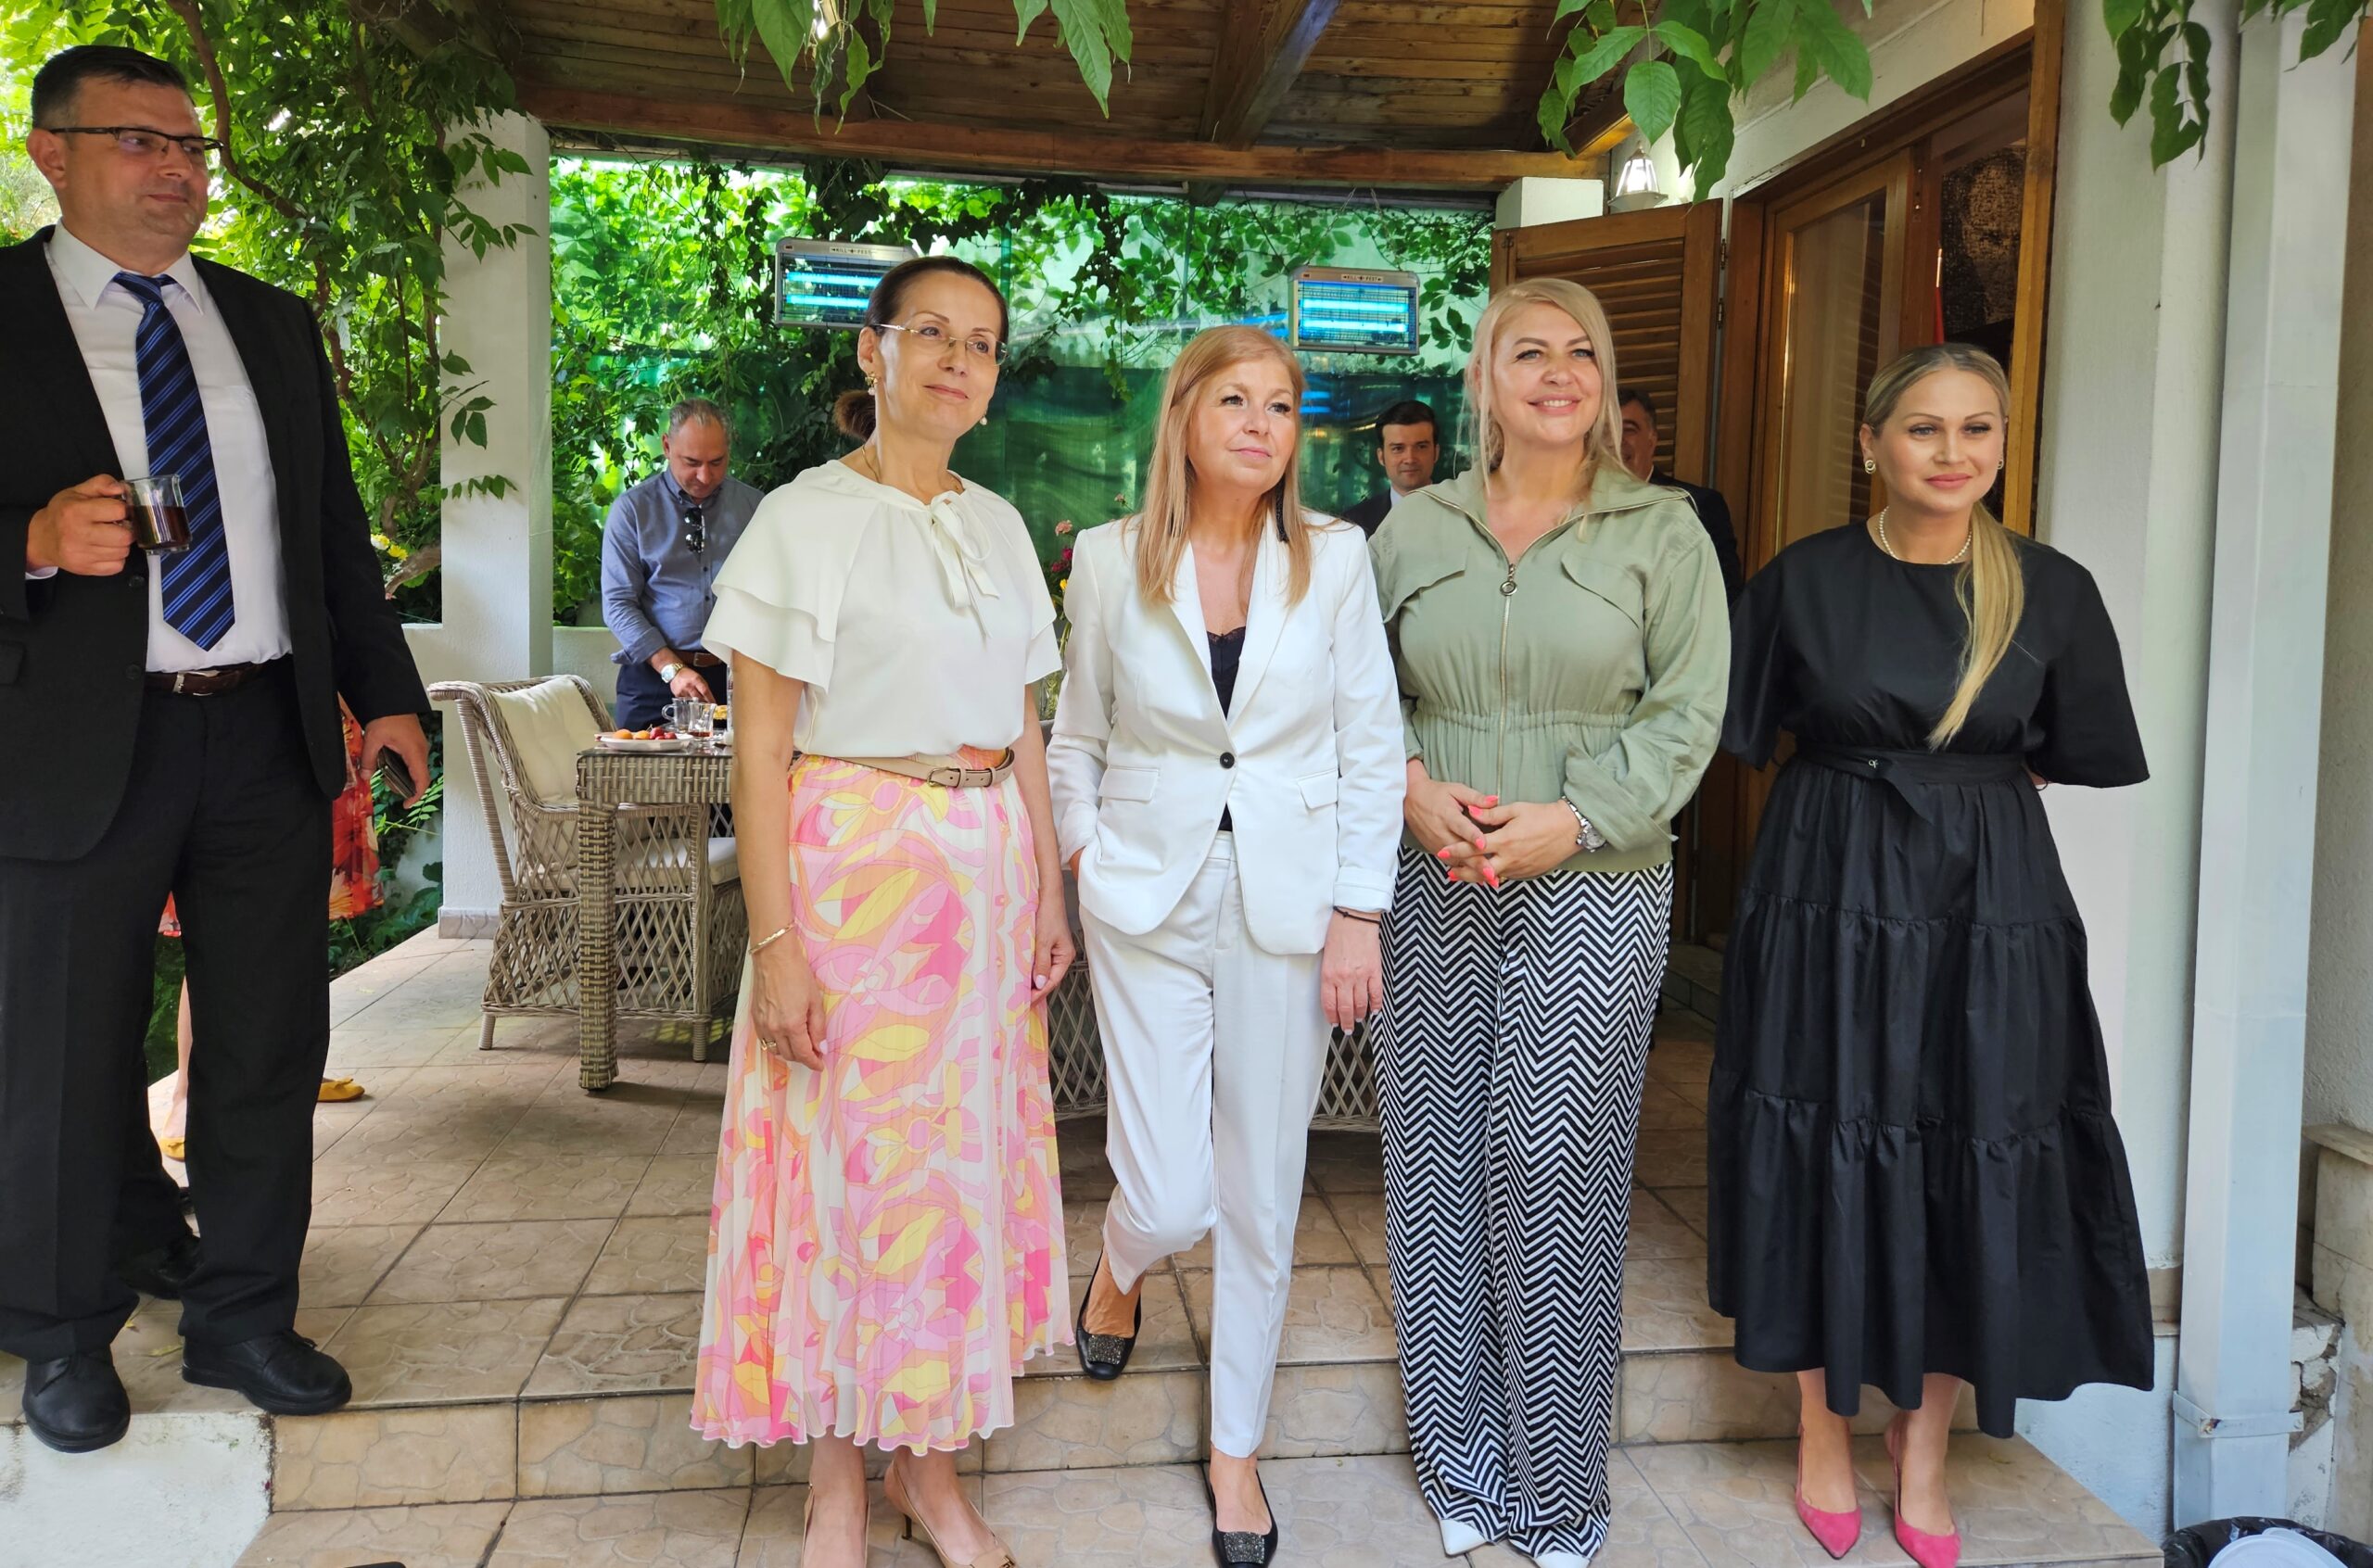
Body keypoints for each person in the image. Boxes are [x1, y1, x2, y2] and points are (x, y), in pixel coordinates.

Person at [0, 44, 430, 1455]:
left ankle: (245, 1315)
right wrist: (31, 542)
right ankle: (63, 1334)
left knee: (264, 1044)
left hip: (260, 732)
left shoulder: (266, 322)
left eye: (190, 146)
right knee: (63, 1053)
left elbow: (330, 533)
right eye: (139, 140)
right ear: (52, 152)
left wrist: (387, 693)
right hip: (73, 747)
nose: (178, 169)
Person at [1707, 343, 2153, 1568]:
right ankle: (1820, 1428)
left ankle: (1925, 1447)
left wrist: (1958, 802)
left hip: (1988, 901)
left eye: (1977, 430)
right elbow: (1738, 729)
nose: (1953, 453)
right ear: (1870, 445)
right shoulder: (1802, 581)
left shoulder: (2051, 590)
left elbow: (2063, 751)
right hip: (1825, 884)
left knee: (1976, 1133)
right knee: (1819, 1124)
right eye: (1923, 428)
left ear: (2002, 445)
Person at [691, 255, 1072, 1568]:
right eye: (933, 334)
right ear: (874, 351)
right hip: (853, 871)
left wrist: (1049, 886)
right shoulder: (803, 520)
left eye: (983, 342)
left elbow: (1025, 722)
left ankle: (930, 1466)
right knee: (842, 1171)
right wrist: (777, 945)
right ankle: (836, 1478)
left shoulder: (1001, 525)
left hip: (986, 874)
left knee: (954, 1182)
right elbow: (759, 751)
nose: (959, 360)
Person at [1369, 278, 1728, 1567]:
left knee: (1556, 1167)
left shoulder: (1663, 531)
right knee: (1437, 1160)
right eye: (1530, 352)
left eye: (1582, 352)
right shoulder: (1412, 528)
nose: (1560, 372)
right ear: (1484, 379)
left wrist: (1573, 821)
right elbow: (1357, 690)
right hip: (1436, 871)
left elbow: (1688, 711)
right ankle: (1458, 1462)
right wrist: (1411, 788)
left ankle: (1560, 1492)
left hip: (1596, 878)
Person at [1049, 325, 1404, 1568]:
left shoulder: (1335, 558)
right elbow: (1075, 735)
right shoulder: (1108, 559)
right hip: (1142, 897)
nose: (1261, 424)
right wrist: (1083, 853)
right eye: (1236, 400)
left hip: (1291, 904)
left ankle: (1236, 1452)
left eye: (1281, 405)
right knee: (1167, 1190)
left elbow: (1371, 742)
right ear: (1185, 418)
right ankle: (1121, 1260)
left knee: (1260, 1191)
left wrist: (1359, 911)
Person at [155, 701, 387, 1167]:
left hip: (319, 733)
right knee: (217, 931)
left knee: (296, 923)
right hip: (248, 729)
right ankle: (186, 1092)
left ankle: (294, 1071)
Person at [601, 397, 763, 729]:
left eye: (717, 462)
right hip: (652, 678)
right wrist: (671, 669)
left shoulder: (754, 507)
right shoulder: (632, 510)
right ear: (666, 446)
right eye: (692, 462)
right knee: (639, 766)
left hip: (735, 679)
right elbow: (618, 604)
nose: (705, 476)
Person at [1617, 385, 1744, 602]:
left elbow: (1726, 597)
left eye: (1629, 429)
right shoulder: (1578, 509)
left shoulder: (1699, 505)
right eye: (1607, 430)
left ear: (1652, 440)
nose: (1616, 440)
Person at [1339, 398, 1440, 536]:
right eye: (1398, 448)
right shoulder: (1354, 523)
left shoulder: (1461, 516)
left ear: (1436, 453)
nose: (1410, 459)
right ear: (1381, 457)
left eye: (1421, 447)